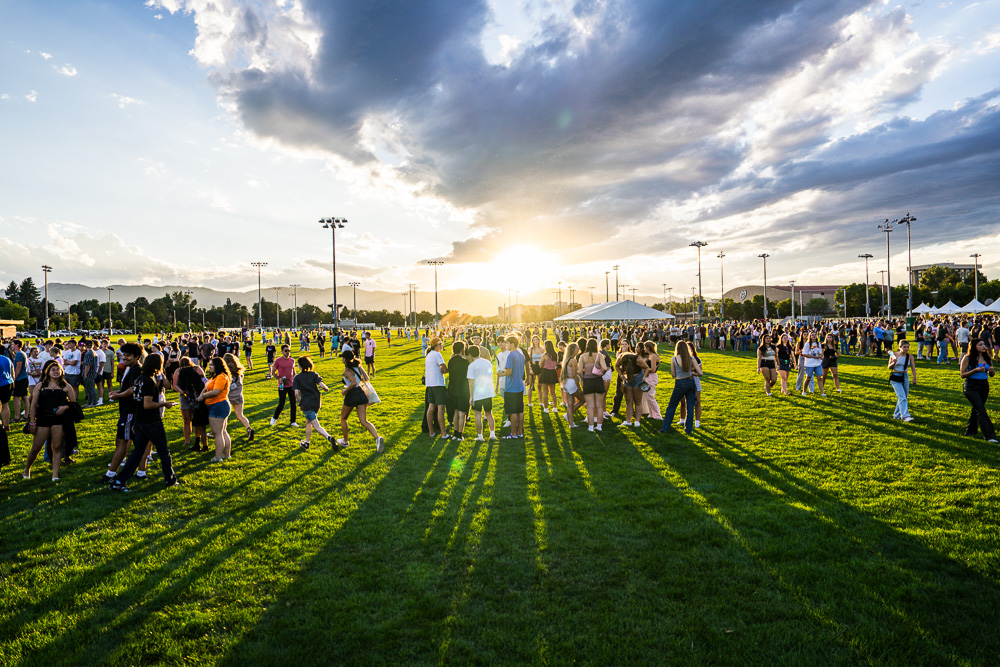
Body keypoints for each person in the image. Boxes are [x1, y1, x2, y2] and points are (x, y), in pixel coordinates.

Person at [108, 353, 181, 492]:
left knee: (137, 453)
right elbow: (147, 404)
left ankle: (119, 481)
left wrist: (136, 422)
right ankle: (170, 480)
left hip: (140, 422)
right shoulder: (148, 381)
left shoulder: (139, 379)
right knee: (163, 452)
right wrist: (164, 404)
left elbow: (137, 402)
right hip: (151, 422)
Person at [97, 342, 144, 484]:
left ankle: (111, 473)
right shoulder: (130, 368)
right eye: (123, 355)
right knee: (136, 443)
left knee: (122, 442)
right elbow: (127, 389)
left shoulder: (136, 369)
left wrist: (119, 396)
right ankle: (141, 472)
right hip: (128, 411)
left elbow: (132, 389)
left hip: (130, 412)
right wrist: (117, 392)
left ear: (137, 356)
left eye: (128, 355)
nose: (124, 358)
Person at [23, 360, 75, 481]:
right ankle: (26, 470)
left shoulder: (66, 386)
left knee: (56, 447)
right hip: (42, 420)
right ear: (48, 372)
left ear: (62, 371)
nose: (56, 372)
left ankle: (55, 474)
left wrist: (65, 407)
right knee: (36, 448)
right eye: (53, 370)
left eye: (58, 369)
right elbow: (33, 404)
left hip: (59, 421)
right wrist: (32, 422)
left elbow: (74, 404)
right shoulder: (40, 386)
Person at [339, 350, 384, 452]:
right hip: (361, 393)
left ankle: (345, 441)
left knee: (343, 418)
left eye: (342, 358)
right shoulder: (358, 366)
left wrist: (345, 390)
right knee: (364, 421)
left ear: (345, 359)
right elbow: (366, 378)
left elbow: (354, 382)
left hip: (352, 395)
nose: (342, 359)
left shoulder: (346, 371)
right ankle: (377, 438)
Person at [292, 356, 337, 450]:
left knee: (316, 425)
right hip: (316, 402)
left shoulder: (297, 378)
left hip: (307, 404)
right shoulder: (313, 374)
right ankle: (307, 443)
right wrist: (326, 388)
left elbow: (296, 393)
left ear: (300, 366)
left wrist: (299, 403)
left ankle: (329, 437)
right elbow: (322, 386)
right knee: (308, 422)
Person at [659, 341, 702, 436]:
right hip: (690, 382)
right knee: (690, 406)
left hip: (680, 382)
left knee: (672, 406)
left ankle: (665, 428)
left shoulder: (674, 359)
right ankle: (688, 429)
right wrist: (693, 373)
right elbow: (701, 373)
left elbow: (673, 375)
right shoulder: (691, 359)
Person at [960, 339, 997, 442]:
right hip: (971, 386)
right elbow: (962, 375)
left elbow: (992, 375)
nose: (983, 346)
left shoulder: (987, 357)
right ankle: (989, 436)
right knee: (981, 410)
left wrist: (992, 371)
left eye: (983, 344)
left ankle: (970, 432)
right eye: (980, 344)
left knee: (977, 408)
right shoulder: (967, 358)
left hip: (984, 385)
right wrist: (975, 370)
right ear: (974, 347)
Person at [198, 357, 232, 462]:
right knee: (223, 431)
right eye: (210, 364)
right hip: (218, 405)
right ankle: (226, 455)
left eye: (212, 365)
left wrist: (203, 396)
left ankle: (218, 457)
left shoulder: (221, 377)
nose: (210, 366)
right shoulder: (214, 377)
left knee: (217, 433)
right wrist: (202, 394)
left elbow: (216, 391)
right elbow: (206, 387)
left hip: (218, 405)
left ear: (218, 366)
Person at [175, 357, 209, 452]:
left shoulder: (192, 370)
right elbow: (175, 385)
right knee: (193, 422)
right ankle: (196, 443)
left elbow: (204, 382)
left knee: (197, 421)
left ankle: (199, 444)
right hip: (192, 397)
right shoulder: (181, 371)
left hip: (196, 397)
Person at [466, 344, 496, 441]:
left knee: (478, 414)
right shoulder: (488, 363)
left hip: (477, 393)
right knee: (489, 414)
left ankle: (480, 436)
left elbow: (471, 382)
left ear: (470, 354)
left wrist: (471, 397)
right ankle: (492, 434)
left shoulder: (471, 366)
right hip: (488, 392)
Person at [578, 338, 608, 432]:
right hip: (598, 380)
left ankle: (590, 427)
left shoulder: (582, 356)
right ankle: (599, 426)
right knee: (599, 406)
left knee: (590, 406)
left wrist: (583, 378)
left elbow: (579, 371)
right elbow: (605, 368)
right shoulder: (599, 356)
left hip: (587, 381)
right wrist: (600, 373)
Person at [223, 353, 254, 442]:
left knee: (224, 416)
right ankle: (248, 428)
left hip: (227, 397)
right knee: (240, 415)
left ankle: (220, 431)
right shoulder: (240, 373)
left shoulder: (226, 373)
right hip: (238, 396)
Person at [501, 335, 526, 438]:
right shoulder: (521, 355)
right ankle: (520, 432)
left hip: (511, 387)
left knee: (513, 412)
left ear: (512, 344)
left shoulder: (511, 355)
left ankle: (513, 434)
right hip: (520, 386)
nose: (506, 345)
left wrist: (502, 372)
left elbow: (509, 372)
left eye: (507, 343)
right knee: (520, 410)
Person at [424, 337, 449, 437]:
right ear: (437, 345)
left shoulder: (428, 355)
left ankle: (431, 432)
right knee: (441, 409)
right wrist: (444, 370)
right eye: (441, 344)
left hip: (430, 384)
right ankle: (443, 433)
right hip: (438, 384)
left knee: (431, 408)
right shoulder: (437, 354)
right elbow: (445, 368)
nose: (442, 346)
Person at [887, 340, 917, 422]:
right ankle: (905, 416)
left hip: (905, 377)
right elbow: (889, 367)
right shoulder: (894, 354)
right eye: (904, 347)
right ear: (899, 347)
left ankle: (896, 415)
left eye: (908, 347)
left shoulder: (910, 356)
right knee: (902, 397)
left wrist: (914, 378)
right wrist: (893, 362)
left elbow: (913, 368)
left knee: (903, 397)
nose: (906, 349)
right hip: (895, 377)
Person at [269, 345, 298, 428]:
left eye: (289, 351)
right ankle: (274, 418)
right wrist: (279, 378)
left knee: (293, 403)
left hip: (291, 384)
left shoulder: (292, 360)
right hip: (282, 384)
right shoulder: (278, 360)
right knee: (282, 403)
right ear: (282, 351)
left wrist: (296, 382)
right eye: (286, 351)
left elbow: (294, 372)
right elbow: (273, 372)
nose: (287, 352)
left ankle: (293, 421)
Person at [447, 341, 470, 440]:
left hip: (452, 389)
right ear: (462, 349)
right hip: (463, 389)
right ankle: (460, 434)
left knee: (455, 411)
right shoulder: (465, 362)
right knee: (462, 413)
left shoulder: (451, 361)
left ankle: (455, 433)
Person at [642, 340, 662, 420]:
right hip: (647, 376)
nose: (644, 349)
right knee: (647, 396)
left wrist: (645, 369)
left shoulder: (653, 356)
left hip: (652, 376)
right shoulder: (650, 356)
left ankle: (658, 415)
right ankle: (651, 413)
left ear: (648, 348)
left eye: (644, 347)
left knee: (650, 396)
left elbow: (653, 369)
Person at [800, 332, 824, 397]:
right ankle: (804, 391)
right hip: (809, 364)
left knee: (819, 378)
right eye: (812, 335)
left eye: (815, 335)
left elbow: (820, 352)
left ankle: (822, 392)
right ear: (810, 336)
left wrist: (820, 356)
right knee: (808, 378)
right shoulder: (807, 344)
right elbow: (804, 354)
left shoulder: (818, 343)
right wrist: (814, 357)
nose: (813, 336)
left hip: (818, 363)